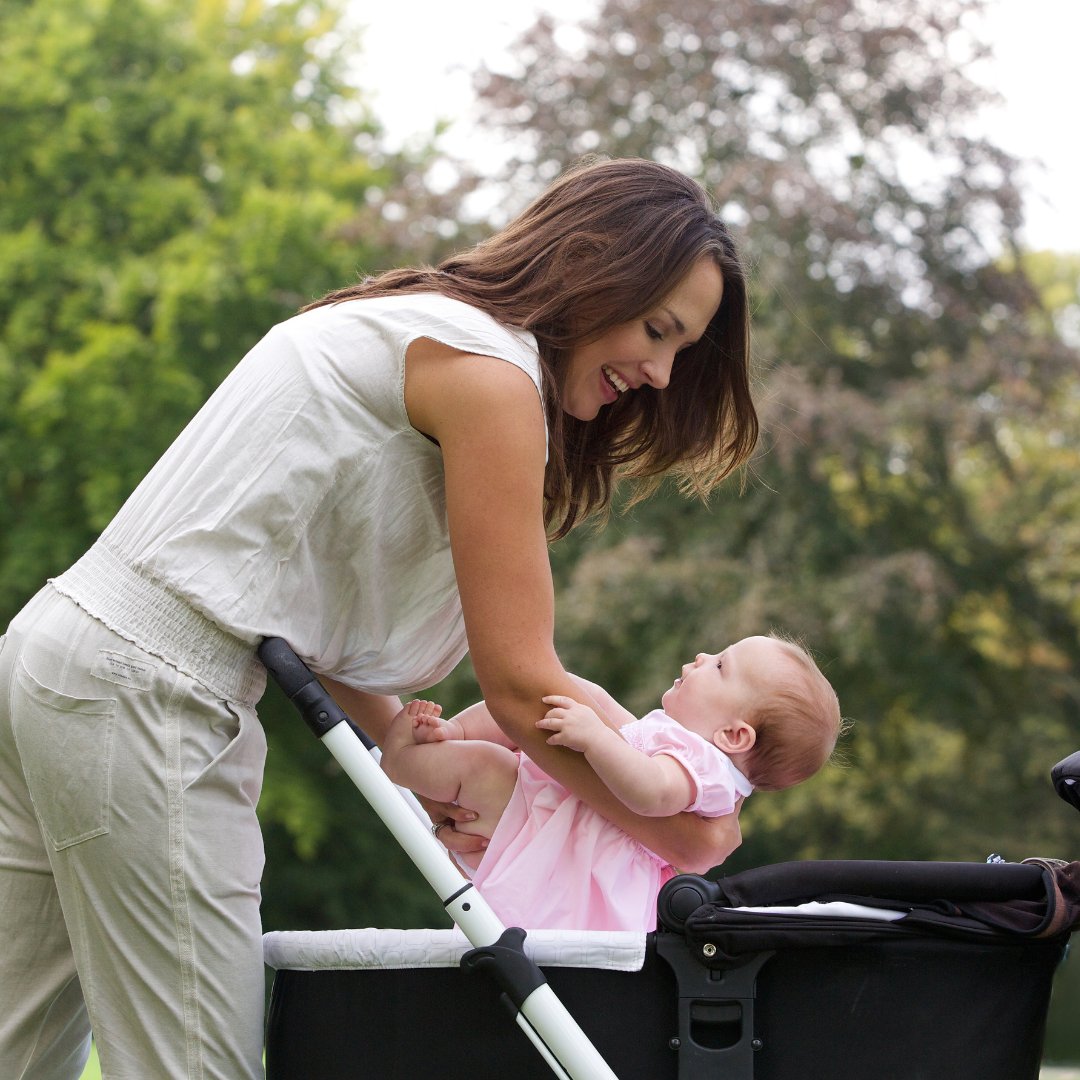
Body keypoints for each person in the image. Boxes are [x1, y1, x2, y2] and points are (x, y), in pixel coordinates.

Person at [0, 156, 757, 1079]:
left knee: (20, 1048)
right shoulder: (488, 377)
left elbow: (286, 595)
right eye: (658, 329)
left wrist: (407, 744)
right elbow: (521, 687)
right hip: (146, 698)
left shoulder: (418, 325)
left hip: (62, 658)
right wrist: (676, 828)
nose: (662, 372)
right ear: (599, 264)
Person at [381, 634, 842, 931]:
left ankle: (404, 761)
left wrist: (597, 740)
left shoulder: (708, 769)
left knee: (485, 764)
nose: (702, 655)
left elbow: (652, 792)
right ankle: (449, 737)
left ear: (735, 735)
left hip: (576, 854)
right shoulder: (688, 746)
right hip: (563, 824)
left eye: (720, 666)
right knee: (549, 706)